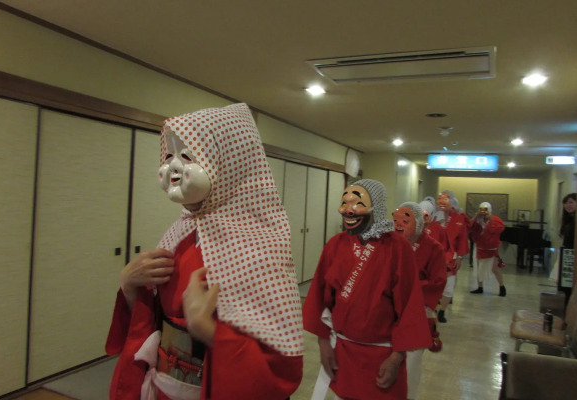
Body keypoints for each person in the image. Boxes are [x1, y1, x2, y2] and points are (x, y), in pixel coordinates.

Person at [106, 103, 303, 400]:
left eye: (186, 156)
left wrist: (208, 329)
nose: (173, 166)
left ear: (229, 164)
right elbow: (155, 315)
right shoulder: (181, 231)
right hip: (164, 384)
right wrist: (130, 284)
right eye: (169, 155)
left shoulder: (261, 243)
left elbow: (279, 363)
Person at [303, 179, 431, 400]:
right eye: (344, 202)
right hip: (342, 350)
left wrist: (397, 357)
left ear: (377, 206)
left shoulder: (398, 248)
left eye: (357, 202)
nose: (347, 210)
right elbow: (319, 296)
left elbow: (409, 305)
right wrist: (324, 343)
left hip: (383, 354)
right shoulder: (336, 244)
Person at [393, 202, 447, 400]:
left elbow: (437, 282)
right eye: (396, 220)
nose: (399, 225)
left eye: (405, 221)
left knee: (410, 367)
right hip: (389, 311)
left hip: (417, 311)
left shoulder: (434, 248)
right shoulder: (391, 244)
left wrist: (408, 288)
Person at [433, 190, 469, 323]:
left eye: (446, 200)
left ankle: (442, 311)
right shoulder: (433, 217)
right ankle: (434, 307)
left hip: (451, 257)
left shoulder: (458, 219)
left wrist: (460, 257)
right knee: (434, 284)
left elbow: (462, 239)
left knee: (449, 285)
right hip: (434, 257)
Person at [469, 202, 506, 296]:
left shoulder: (496, 220)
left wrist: (491, 219)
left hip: (491, 249)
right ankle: (480, 287)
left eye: (485, 210)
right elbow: (469, 226)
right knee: (478, 268)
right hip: (480, 247)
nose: (483, 212)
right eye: (481, 209)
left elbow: (499, 229)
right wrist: (476, 216)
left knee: (495, 268)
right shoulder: (478, 220)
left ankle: (502, 287)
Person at [550, 193, 577, 283]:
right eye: (565, 203)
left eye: (571, 202)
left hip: (572, 254)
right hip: (566, 253)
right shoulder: (568, 219)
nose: (567, 205)